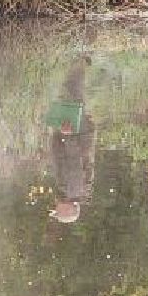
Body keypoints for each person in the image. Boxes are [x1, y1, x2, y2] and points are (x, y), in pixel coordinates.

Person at [46, 56, 96, 224]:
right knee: (71, 91)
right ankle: (80, 55)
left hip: (74, 135)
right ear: (66, 209)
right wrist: (67, 137)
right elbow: (75, 160)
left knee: (71, 93)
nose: (55, 207)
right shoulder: (73, 189)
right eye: (58, 211)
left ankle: (80, 57)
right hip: (74, 135)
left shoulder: (71, 191)